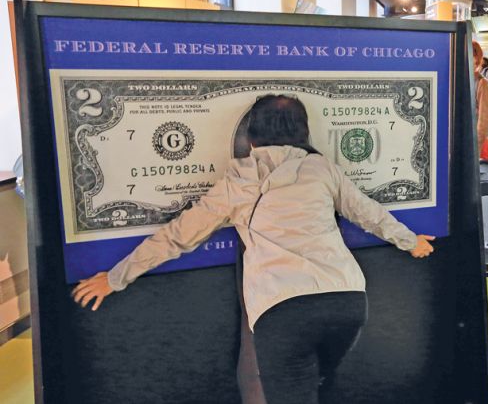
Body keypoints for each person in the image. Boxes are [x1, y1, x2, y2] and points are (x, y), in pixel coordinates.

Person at [71, 94, 435, 404]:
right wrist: (412, 241)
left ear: (252, 136)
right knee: (320, 384)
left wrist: (115, 278)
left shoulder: (238, 181)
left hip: (283, 312)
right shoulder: (321, 168)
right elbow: (368, 213)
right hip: (348, 301)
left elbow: (177, 236)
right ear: (302, 131)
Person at [472, 41, 488, 160]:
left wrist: (475, 148)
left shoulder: (482, 83)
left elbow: (484, 120)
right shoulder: (456, 80)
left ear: (477, 59)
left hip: (476, 147)